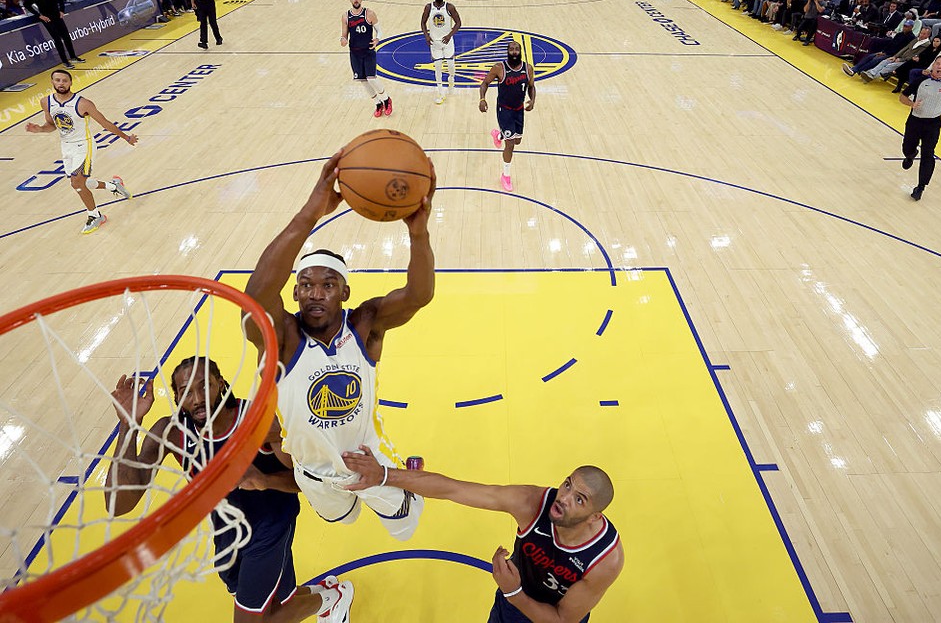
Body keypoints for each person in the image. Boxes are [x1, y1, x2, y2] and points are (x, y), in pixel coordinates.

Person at [242, 154, 437, 545]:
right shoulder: (282, 336)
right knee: (342, 521)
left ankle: (406, 486)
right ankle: (344, 504)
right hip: (314, 472)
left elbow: (419, 295)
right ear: (294, 291)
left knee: (404, 527)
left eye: (329, 284)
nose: (316, 293)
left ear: (345, 292)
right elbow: (257, 295)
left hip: (372, 463)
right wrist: (313, 209)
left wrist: (418, 233)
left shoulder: (365, 324)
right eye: (307, 284)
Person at [104, 358, 354, 622]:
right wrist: (128, 424)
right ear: (177, 398)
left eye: (205, 386)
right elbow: (118, 504)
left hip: (273, 524)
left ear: (221, 384)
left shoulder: (261, 422)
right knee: (277, 601)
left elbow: (304, 483)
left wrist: (265, 481)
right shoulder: (172, 433)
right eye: (187, 392)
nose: (198, 398)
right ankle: (328, 596)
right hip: (228, 530)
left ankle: (334, 599)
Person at [342, 449, 624, 623]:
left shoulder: (606, 560)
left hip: (535, 605)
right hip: (512, 605)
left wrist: (513, 591)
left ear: (594, 517)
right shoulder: (531, 502)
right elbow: (454, 489)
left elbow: (563, 619)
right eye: (567, 485)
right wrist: (383, 475)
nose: (563, 497)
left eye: (579, 499)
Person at [25, 69, 136, 235]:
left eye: (64, 80)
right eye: (57, 80)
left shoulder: (83, 103)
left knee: (77, 183)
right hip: (66, 146)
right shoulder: (46, 102)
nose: (61, 83)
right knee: (80, 184)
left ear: (70, 83)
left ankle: (95, 215)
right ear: (52, 82)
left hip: (84, 145)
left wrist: (126, 137)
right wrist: (40, 129)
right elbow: (51, 125)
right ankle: (114, 186)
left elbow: (105, 123)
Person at [899, 54, 941, 201]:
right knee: (907, 147)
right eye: (937, 63)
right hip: (915, 121)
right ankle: (910, 154)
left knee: (928, 154)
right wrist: (911, 104)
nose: (939, 66)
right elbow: (903, 96)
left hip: (933, 124)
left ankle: (920, 186)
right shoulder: (921, 81)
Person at [479, 41, 536, 193]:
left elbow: (531, 87)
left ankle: (498, 135)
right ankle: (506, 175)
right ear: (507, 52)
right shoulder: (499, 68)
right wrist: (482, 99)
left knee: (517, 141)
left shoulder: (528, 68)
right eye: (511, 49)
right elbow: (484, 83)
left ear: (520, 51)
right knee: (510, 145)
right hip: (504, 109)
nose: (514, 52)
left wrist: (533, 100)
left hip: (519, 110)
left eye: (517, 49)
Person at [341, 0, 392, 118]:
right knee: (363, 80)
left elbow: (379, 30)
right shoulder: (345, 16)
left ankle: (386, 99)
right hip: (355, 53)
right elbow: (344, 34)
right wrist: (343, 39)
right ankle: (377, 103)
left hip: (368, 51)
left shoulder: (369, 13)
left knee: (372, 78)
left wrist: (377, 39)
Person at [24, 0, 85, 68]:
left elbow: (61, 0)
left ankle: (73, 57)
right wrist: (39, 15)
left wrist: (62, 11)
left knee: (67, 37)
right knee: (57, 40)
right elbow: (27, 4)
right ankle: (65, 61)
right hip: (48, 19)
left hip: (58, 17)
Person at [420, 0, 461, 105]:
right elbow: (422, 22)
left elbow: (458, 22)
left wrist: (450, 35)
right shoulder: (429, 7)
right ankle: (441, 93)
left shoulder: (450, 7)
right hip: (434, 43)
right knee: (437, 68)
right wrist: (426, 36)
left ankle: (451, 79)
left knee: (451, 66)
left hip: (447, 42)